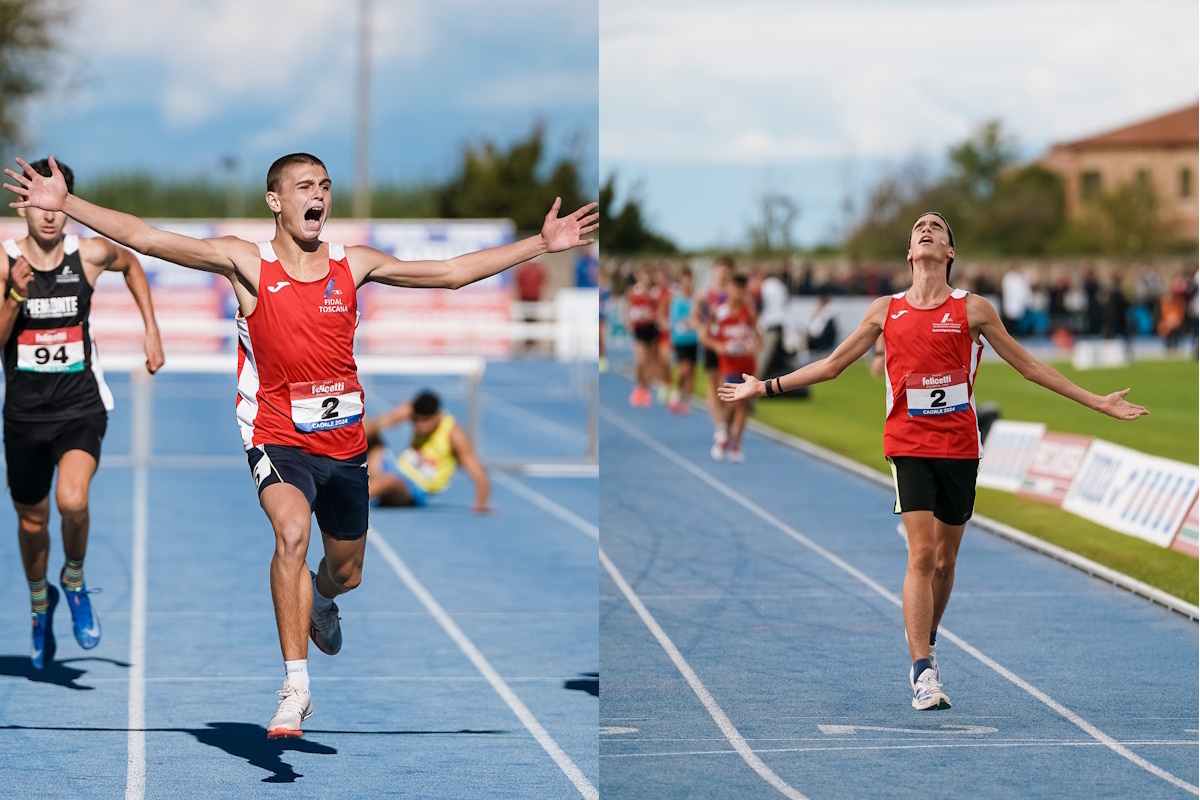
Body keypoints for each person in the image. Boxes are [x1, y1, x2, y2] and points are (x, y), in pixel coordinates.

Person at [5, 153, 596, 736]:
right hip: (276, 435)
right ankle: (295, 686)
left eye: (326, 186)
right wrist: (70, 204)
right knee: (291, 533)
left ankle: (321, 598)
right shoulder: (247, 263)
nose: (319, 195)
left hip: (344, 444)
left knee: (348, 571)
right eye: (306, 185)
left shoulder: (353, 264)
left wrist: (539, 244)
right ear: (276, 200)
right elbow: (150, 238)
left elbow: (447, 273)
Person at [719, 211, 1147, 712]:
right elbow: (832, 365)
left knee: (945, 562)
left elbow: (1029, 367)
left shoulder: (974, 310)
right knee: (921, 555)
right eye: (918, 228)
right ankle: (922, 669)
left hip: (960, 447)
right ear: (909, 252)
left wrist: (1097, 401)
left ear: (948, 253)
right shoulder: (886, 309)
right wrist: (764, 386)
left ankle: (928, 637)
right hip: (907, 443)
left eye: (937, 228)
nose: (926, 230)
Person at [0, 158, 164, 670]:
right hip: (24, 416)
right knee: (31, 526)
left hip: (80, 409)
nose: (48, 215)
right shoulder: (4, 263)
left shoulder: (89, 255)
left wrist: (151, 329)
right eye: (38, 205)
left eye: (58, 204)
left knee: (73, 501)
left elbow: (132, 263)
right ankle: (38, 603)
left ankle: (73, 578)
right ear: (23, 205)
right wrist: (13, 296)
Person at [363, 390, 489, 512]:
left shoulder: (454, 434)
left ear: (437, 415)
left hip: (415, 488)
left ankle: (350, 499)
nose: (420, 425)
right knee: (365, 424)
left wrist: (481, 503)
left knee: (390, 480)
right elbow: (377, 424)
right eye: (416, 420)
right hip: (396, 468)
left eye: (425, 421)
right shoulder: (410, 410)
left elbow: (477, 472)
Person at [703, 274, 758, 463]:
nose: (737, 293)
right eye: (734, 289)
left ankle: (736, 445)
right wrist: (718, 346)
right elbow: (705, 335)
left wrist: (753, 345)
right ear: (728, 290)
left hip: (747, 363)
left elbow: (758, 337)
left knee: (743, 405)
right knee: (731, 402)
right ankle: (724, 434)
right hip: (729, 364)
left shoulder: (748, 312)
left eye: (741, 290)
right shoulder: (718, 312)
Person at [692, 256, 732, 448]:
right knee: (713, 384)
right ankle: (720, 426)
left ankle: (724, 422)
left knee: (729, 385)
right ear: (714, 271)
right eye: (720, 269)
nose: (723, 273)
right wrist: (701, 329)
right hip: (711, 345)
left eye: (726, 270)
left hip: (730, 347)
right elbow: (694, 318)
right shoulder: (705, 295)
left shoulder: (736, 296)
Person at [623, 265, 662, 407]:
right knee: (641, 361)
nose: (646, 279)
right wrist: (628, 321)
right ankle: (639, 387)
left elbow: (659, 310)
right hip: (639, 330)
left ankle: (646, 390)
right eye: (643, 275)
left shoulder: (654, 293)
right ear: (639, 277)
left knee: (650, 363)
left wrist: (655, 316)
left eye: (648, 276)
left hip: (651, 329)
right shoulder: (633, 291)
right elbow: (626, 307)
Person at [666, 266, 698, 414]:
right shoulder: (676, 299)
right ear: (681, 281)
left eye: (689, 280)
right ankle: (676, 393)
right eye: (684, 280)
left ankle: (685, 399)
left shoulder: (696, 299)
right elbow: (673, 320)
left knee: (691, 371)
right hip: (680, 340)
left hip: (693, 339)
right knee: (683, 370)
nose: (687, 283)